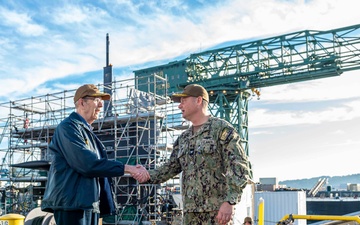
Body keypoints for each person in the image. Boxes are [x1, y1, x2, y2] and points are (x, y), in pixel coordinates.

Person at [137, 84, 252, 225]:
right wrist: (146, 175)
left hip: (216, 214)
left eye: (183, 100)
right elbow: (169, 168)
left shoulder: (221, 130)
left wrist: (230, 201)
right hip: (190, 214)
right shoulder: (184, 138)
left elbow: (240, 166)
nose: (180, 106)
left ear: (198, 100)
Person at [41, 84, 150, 225]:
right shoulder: (68, 127)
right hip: (72, 207)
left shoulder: (85, 131)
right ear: (82, 102)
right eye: (96, 100)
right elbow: (88, 164)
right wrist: (128, 168)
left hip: (86, 204)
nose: (101, 105)